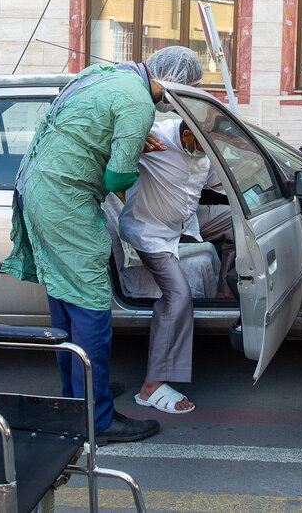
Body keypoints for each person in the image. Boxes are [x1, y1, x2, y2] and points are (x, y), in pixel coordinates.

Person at [2, 46, 203, 444]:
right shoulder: (138, 104)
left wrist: (129, 141)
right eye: (188, 88)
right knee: (92, 303)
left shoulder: (108, 74)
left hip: (37, 187)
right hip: (65, 201)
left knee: (64, 297)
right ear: (174, 80)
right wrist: (133, 149)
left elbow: (83, 125)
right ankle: (98, 420)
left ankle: (77, 396)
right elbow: (116, 180)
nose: (181, 100)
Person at [119, 119, 224, 414]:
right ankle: (151, 386)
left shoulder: (202, 150)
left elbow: (218, 183)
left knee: (238, 223)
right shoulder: (155, 138)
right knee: (178, 295)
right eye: (203, 145)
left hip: (182, 225)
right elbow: (111, 152)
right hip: (150, 233)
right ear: (187, 135)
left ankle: (226, 289)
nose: (207, 152)